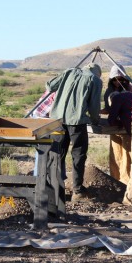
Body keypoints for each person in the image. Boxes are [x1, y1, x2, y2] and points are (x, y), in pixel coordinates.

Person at [47, 63, 102, 199]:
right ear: (97, 73)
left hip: (57, 120)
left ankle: (55, 190)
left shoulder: (69, 71)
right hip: (77, 122)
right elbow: (94, 108)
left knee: (57, 154)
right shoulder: (95, 80)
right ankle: (77, 191)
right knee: (78, 154)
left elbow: (49, 86)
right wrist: (95, 121)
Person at [102, 65, 132, 184]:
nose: (118, 82)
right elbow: (108, 109)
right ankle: (116, 180)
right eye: (115, 79)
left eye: (120, 79)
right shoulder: (109, 91)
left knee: (127, 154)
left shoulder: (129, 90)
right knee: (116, 154)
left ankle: (127, 182)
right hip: (114, 126)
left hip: (128, 125)